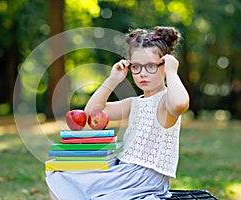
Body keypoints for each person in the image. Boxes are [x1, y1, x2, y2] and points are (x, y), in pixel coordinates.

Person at [46, 26, 190, 200]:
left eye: (151, 66)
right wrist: (112, 80)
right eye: (136, 67)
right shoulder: (135, 103)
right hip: (124, 172)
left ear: (164, 64)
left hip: (143, 179)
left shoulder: (165, 102)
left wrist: (172, 72)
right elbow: (92, 113)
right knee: (58, 175)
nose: (142, 74)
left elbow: (180, 104)